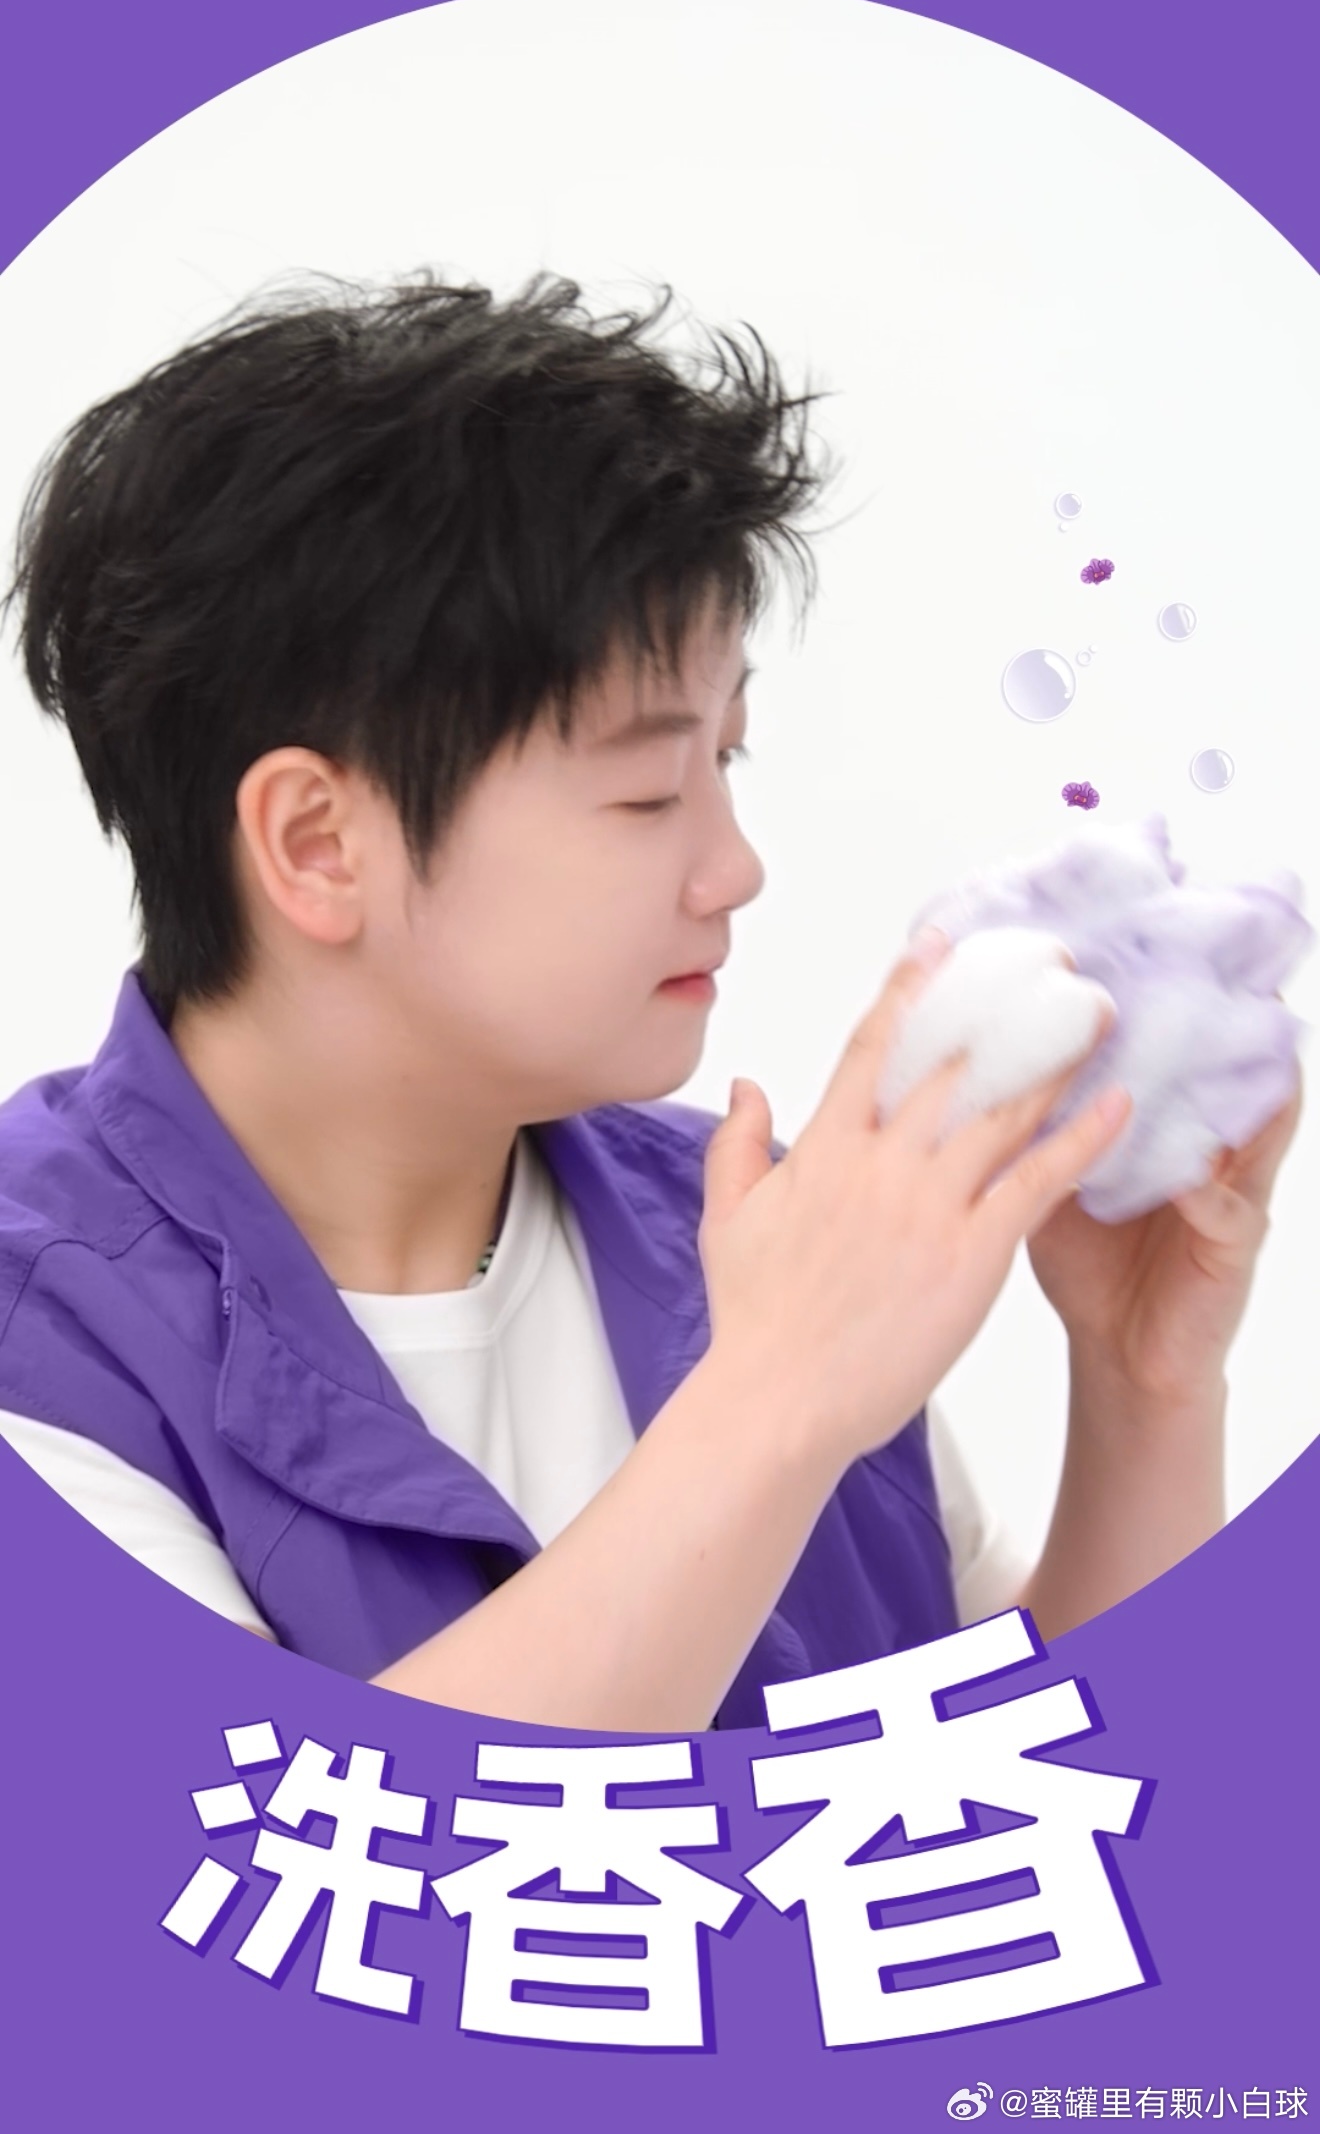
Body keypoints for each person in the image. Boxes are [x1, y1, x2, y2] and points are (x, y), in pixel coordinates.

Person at [0, 274, 1299, 1733]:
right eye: (643, 792)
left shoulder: (755, 1235)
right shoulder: (46, 1343)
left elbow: (1040, 1783)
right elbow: (259, 1849)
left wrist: (1141, 1389)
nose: (734, 869)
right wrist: (780, 1392)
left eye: (723, 762)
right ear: (317, 844)